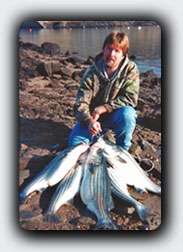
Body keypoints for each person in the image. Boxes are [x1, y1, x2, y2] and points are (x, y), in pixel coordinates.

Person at [68, 30, 140, 150]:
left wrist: (102, 109)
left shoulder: (130, 69)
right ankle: (96, 137)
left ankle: (122, 149)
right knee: (74, 146)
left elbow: (131, 98)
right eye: (109, 48)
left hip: (116, 116)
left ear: (124, 55)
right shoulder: (91, 73)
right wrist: (89, 121)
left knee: (128, 114)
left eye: (117, 51)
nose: (111, 54)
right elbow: (80, 104)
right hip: (93, 120)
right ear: (103, 49)